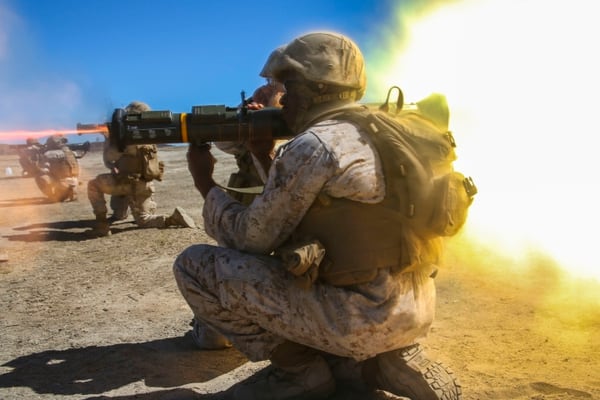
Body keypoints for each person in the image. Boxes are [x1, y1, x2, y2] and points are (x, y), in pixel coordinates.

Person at [175, 31, 462, 400]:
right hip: (413, 310)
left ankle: (300, 371)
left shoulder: (316, 144)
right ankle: (384, 360)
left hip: (359, 318)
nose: (285, 96)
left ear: (316, 87)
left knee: (195, 265)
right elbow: (318, 210)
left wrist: (204, 182)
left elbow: (253, 237)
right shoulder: (388, 128)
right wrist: (264, 157)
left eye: (290, 85)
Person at [86, 101, 196, 237]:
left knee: (93, 185)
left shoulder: (128, 135)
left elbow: (110, 157)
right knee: (143, 218)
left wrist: (110, 139)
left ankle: (102, 225)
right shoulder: (149, 134)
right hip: (145, 184)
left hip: (127, 183)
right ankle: (171, 218)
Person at [34, 134, 79, 202]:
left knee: (39, 176)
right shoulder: (72, 153)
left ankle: (51, 196)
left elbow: (45, 169)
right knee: (61, 195)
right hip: (74, 180)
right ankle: (71, 190)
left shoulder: (49, 154)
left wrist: (38, 167)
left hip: (60, 182)